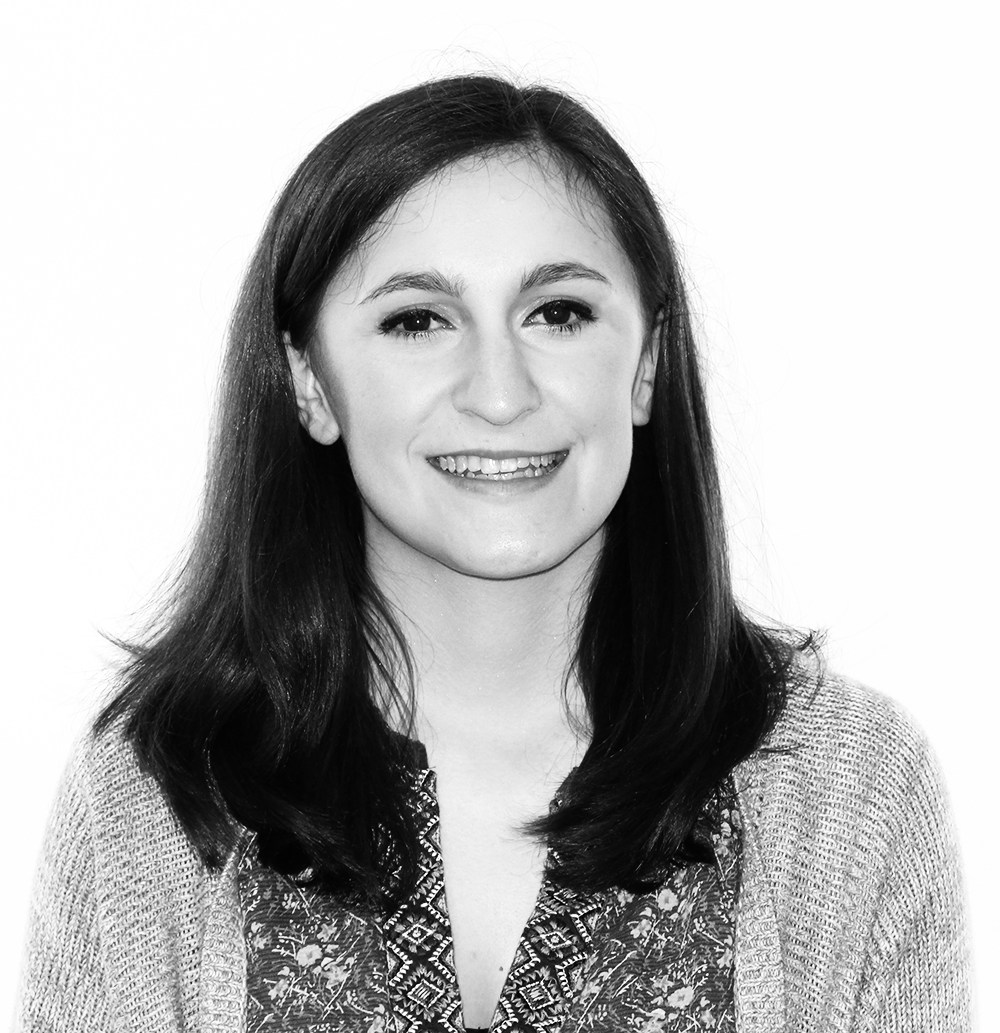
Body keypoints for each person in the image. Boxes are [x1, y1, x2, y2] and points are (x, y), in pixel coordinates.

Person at [14, 75, 971, 1032]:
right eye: (417, 321)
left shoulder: (852, 787)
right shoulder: (159, 790)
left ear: (645, 364)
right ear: (310, 381)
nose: (501, 392)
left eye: (558, 312)